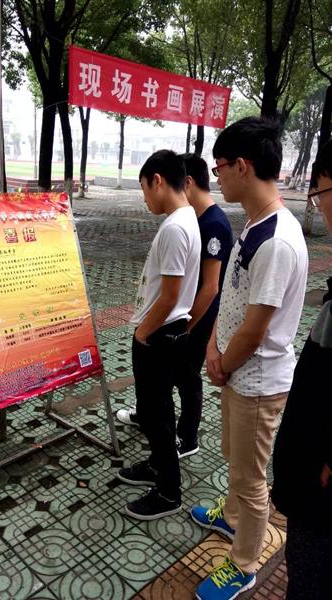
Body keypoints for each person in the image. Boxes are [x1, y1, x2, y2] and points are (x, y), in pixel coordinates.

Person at [189, 117, 308, 600]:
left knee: (252, 477)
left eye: (219, 166)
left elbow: (257, 328)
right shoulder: (255, 222)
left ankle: (243, 564)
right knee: (235, 459)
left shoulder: (277, 240)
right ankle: (232, 515)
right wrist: (212, 345)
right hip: (238, 372)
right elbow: (234, 296)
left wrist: (222, 363)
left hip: (257, 381)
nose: (216, 176)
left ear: (242, 165)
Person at [116, 154, 233, 459]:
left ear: (186, 181)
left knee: (186, 378)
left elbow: (210, 287)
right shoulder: (193, 219)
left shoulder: (210, 224)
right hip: (180, 315)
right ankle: (154, 424)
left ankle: (186, 437)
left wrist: (184, 326)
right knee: (165, 384)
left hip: (193, 317)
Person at [117, 150, 201, 520]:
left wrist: (142, 334)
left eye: (144, 190)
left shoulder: (175, 228)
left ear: (158, 180)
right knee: (156, 412)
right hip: (168, 332)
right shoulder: (186, 219)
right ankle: (156, 465)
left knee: (157, 415)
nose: (145, 199)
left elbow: (169, 296)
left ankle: (168, 493)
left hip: (160, 334)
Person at [271, 138, 332, 600]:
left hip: (322, 493)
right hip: (310, 473)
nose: (320, 207)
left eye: (321, 193)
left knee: (311, 578)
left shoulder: (278, 239)